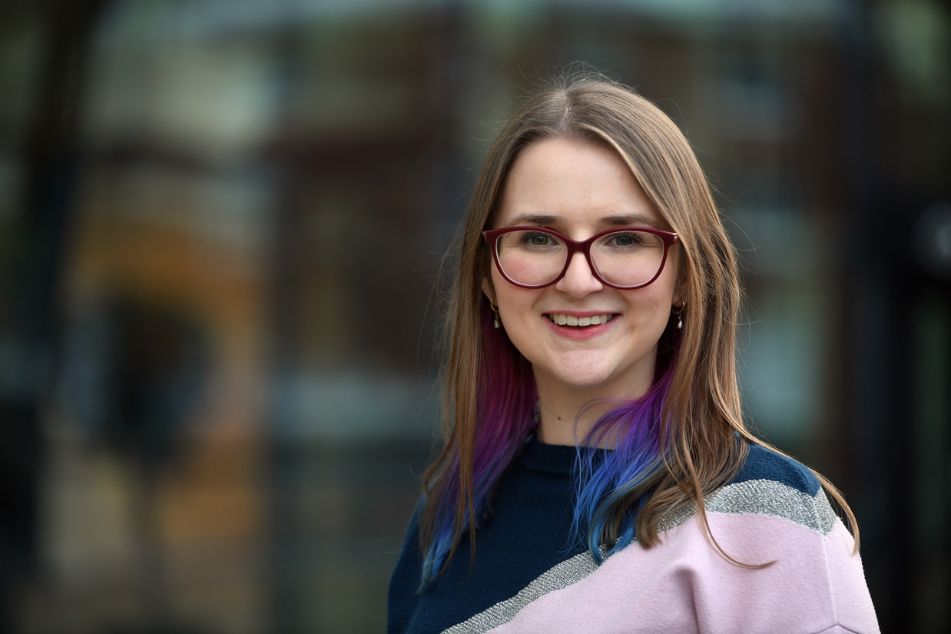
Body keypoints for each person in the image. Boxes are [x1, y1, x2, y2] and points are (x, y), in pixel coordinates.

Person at [388, 73, 879, 633]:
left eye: (624, 239)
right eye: (538, 238)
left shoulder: (765, 519)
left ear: (687, 277)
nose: (578, 280)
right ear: (486, 275)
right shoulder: (449, 519)